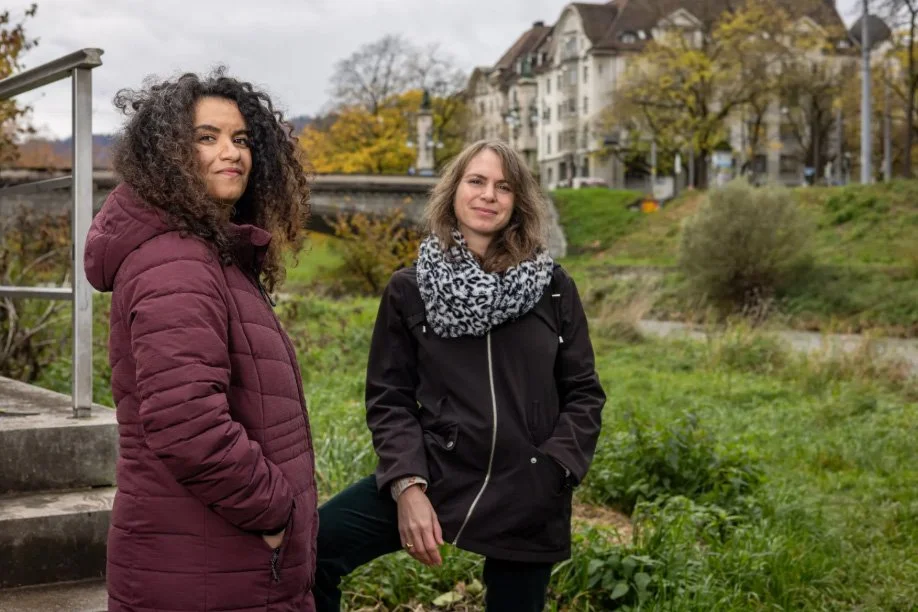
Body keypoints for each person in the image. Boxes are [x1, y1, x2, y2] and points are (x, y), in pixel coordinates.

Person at [314, 140, 606, 611]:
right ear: (453, 191)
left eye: (503, 186)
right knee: (311, 552)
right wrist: (407, 484)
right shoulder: (409, 289)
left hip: (527, 487)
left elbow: (584, 393)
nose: (488, 195)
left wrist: (554, 469)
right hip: (437, 472)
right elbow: (389, 398)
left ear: (518, 202)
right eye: (476, 181)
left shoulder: (552, 287)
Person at [84, 69, 317, 612]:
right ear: (166, 153)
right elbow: (187, 423)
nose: (231, 152)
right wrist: (274, 511)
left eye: (241, 139)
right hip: (211, 564)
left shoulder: (206, 252)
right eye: (206, 137)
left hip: (217, 559)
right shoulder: (177, 262)